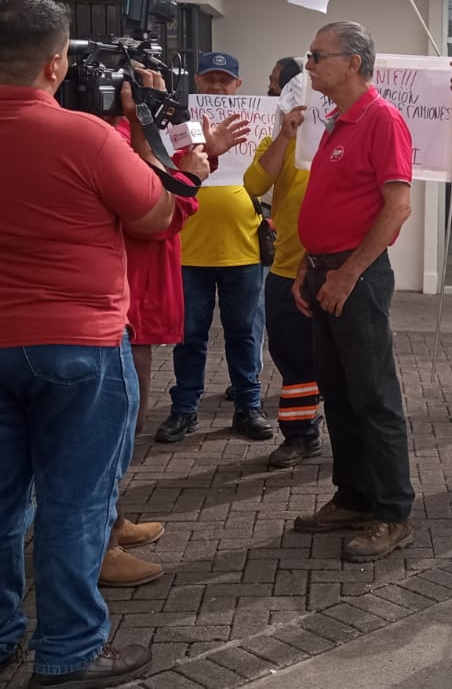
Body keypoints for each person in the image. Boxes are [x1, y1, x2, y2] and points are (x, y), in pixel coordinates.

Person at [0, 0, 182, 687]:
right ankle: (69, 650)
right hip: (78, 341)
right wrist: (155, 147)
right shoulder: (87, 137)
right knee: (76, 500)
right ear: (57, 61)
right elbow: (156, 216)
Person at [290, 22, 417, 563]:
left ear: (353, 63)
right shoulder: (336, 122)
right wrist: (308, 264)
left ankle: (392, 512)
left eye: (317, 55)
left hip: (355, 277)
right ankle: (353, 497)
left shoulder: (381, 119)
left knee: (373, 397)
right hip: (328, 272)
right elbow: (331, 204)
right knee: (338, 393)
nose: (309, 64)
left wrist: (347, 274)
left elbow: (398, 207)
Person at [103, 111, 242, 588]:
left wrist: (206, 158)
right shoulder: (112, 137)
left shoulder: (131, 135)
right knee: (118, 425)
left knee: (127, 420)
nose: (160, 93)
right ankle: (100, 544)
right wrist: (191, 178)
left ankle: (110, 520)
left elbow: (160, 177)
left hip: (135, 301)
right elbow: (154, 213)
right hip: (123, 303)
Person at [157, 52, 276, 444]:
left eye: (225, 80)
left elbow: (269, 177)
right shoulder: (178, 126)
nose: (218, 87)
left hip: (243, 247)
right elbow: (167, 175)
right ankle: (184, 409)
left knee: (244, 332)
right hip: (189, 249)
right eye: (210, 78)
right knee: (189, 334)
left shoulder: (257, 124)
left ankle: (248, 407)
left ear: (238, 85)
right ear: (197, 81)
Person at [246, 65, 327, 469]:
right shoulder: (280, 140)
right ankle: (300, 436)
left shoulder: (345, 140)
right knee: (292, 356)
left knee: (342, 360)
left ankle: (349, 435)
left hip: (336, 269)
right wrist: (285, 135)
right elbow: (254, 184)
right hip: (285, 269)